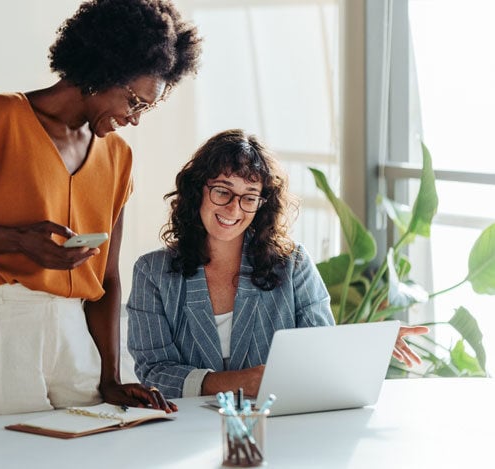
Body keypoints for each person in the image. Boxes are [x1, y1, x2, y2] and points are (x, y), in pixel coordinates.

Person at [0, 0, 201, 419]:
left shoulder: (118, 156)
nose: (134, 118)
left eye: (146, 108)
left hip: (73, 333)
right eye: (134, 101)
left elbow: (107, 277)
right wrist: (18, 241)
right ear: (104, 69)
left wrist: (111, 377)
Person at [126, 129, 428, 399]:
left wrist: (369, 342)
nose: (234, 207)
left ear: (262, 204)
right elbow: (154, 372)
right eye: (222, 191)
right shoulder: (152, 273)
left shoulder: (293, 265)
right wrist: (236, 382)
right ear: (197, 191)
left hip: (278, 423)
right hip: (185, 431)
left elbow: (318, 351)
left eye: (249, 197)